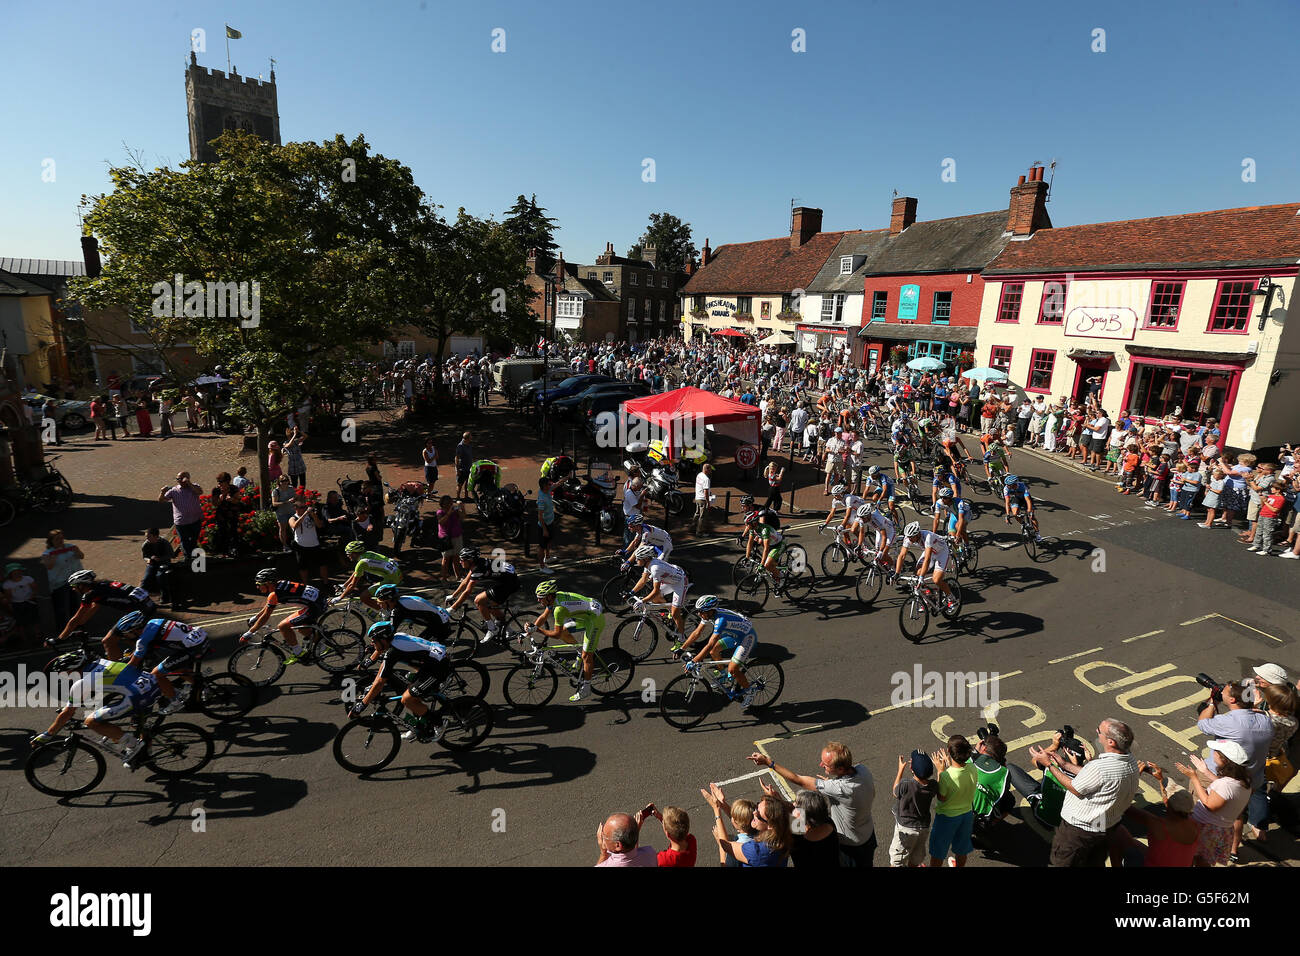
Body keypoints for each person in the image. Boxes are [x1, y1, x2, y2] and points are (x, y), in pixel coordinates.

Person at [748, 741, 876, 866]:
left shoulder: (799, 838)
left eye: (826, 764)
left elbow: (798, 780)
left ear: (841, 768)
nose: (821, 764)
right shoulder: (862, 770)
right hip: (867, 834)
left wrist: (768, 762)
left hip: (851, 846)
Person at [31, 651, 159, 765]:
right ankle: (145, 753)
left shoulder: (82, 683)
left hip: (140, 695)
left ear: (73, 670)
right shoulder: (101, 662)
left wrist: (47, 734)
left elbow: (68, 713)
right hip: (153, 683)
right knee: (135, 723)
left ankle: (134, 745)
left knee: (91, 721)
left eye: (65, 674)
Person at [1049, 718, 1140, 867]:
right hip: (1105, 827)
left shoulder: (1100, 767)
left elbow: (1076, 788)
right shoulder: (1130, 761)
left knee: (1063, 863)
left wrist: (1050, 765)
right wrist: (1065, 765)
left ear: (1111, 742)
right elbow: (1095, 777)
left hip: (1079, 831)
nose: (1097, 733)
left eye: (1099, 731)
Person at [676, 595, 761, 709]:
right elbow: (697, 633)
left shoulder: (720, 620)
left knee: (733, 669)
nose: (699, 614)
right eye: (698, 611)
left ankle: (750, 691)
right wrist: (682, 648)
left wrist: (695, 660)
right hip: (734, 635)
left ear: (710, 611)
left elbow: (710, 643)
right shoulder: (708, 615)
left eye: (701, 612)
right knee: (713, 651)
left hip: (747, 637)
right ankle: (723, 675)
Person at [1177, 741, 1253, 866]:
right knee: (1203, 859)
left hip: (1207, 829)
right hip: (1220, 829)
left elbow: (1209, 804)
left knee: (1194, 858)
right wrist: (1205, 771)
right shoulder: (1243, 781)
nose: (1213, 753)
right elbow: (1225, 790)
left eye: (1216, 752)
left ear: (1224, 760)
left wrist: (1194, 778)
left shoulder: (1225, 784)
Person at [530, 580, 605, 702]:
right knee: (565, 630)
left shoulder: (559, 609)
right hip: (585, 614)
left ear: (549, 597)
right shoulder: (555, 597)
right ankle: (580, 651)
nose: (538, 600)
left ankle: (586, 688)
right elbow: (543, 616)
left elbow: (555, 635)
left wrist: (537, 630)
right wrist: (529, 631)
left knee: (587, 656)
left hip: (594, 620)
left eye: (540, 598)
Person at [243, 568, 327, 663]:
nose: (257, 587)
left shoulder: (274, 594)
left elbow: (266, 615)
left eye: (259, 584)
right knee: (301, 628)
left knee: (283, 626)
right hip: (318, 601)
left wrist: (249, 633)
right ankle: (322, 644)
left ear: (269, 583)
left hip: (315, 607)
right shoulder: (279, 584)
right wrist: (256, 617)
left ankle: (298, 653)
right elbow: (268, 606)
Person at [701, 783, 791, 867]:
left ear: (770, 825)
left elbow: (726, 846)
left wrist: (716, 810)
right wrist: (723, 804)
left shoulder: (756, 851)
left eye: (758, 816)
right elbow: (742, 821)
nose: (754, 813)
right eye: (757, 805)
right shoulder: (782, 831)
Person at [445, 547, 518, 642]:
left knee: (478, 600)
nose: (459, 562)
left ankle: (492, 629)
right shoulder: (476, 564)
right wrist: (453, 596)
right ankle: (509, 630)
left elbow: (467, 591)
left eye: (462, 560)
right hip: (506, 581)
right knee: (489, 607)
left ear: (470, 560)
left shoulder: (478, 568)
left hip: (509, 583)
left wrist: (452, 608)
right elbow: (465, 582)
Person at [928, 735, 977, 867]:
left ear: (949, 752)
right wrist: (949, 764)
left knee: (938, 851)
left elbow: (941, 797)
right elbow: (960, 772)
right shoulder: (973, 767)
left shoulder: (946, 776)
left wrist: (940, 771)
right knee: (962, 849)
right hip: (966, 815)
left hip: (947, 818)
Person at [890, 750, 938, 867]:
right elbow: (938, 786)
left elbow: (895, 792)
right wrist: (940, 770)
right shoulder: (933, 786)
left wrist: (900, 769)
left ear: (911, 769)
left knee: (897, 861)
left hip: (905, 830)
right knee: (916, 857)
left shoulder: (905, 784)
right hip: (923, 827)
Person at [338, 540, 403, 611]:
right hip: (397, 574)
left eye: (348, 553)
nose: (347, 556)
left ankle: (385, 612)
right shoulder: (368, 554)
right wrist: (344, 585)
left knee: (363, 597)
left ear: (354, 553)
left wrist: (340, 597)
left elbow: (352, 585)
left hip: (391, 579)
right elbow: (356, 573)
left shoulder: (361, 563)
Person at [41, 530, 85, 632]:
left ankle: (76, 626)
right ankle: (62, 628)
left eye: (61, 538)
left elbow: (81, 556)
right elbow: (49, 566)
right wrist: (54, 556)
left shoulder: (71, 547)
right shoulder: (47, 553)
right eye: (57, 539)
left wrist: (77, 551)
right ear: (51, 541)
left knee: (74, 603)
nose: (60, 541)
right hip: (59, 583)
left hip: (73, 580)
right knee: (60, 607)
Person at [158, 471, 203, 560]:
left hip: (195, 520)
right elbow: (161, 500)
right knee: (184, 541)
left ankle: (194, 558)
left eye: (181, 478)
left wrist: (189, 483)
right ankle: (188, 558)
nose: (179, 481)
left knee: (193, 540)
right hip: (181, 522)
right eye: (177, 479)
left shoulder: (194, 487)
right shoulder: (174, 490)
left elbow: (199, 492)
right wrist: (162, 492)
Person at [289, 494, 329, 589]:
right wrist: (304, 514)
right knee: (303, 567)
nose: (304, 509)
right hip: (301, 545)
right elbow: (294, 526)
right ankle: (305, 585)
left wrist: (313, 514)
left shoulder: (311, 516)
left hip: (314, 544)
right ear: (296, 508)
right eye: (302, 507)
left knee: (322, 564)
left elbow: (320, 525)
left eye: (305, 507)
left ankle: (326, 583)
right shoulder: (292, 518)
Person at [2, 563, 38, 646]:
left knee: (34, 619)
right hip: (16, 604)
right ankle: (24, 638)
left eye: (18, 571)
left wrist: (32, 596)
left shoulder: (28, 579)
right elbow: (8, 596)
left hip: (29, 602)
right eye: (14, 572)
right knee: (20, 622)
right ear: (10, 574)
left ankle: (37, 635)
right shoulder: (7, 584)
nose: (17, 573)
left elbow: (35, 588)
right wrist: (10, 604)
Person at [139, 527, 176, 597]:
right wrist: (148, 559)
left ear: (156, 536)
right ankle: (139, 595)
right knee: (146, 579)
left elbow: (171, 555)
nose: (147, 539)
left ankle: (164, 595)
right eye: (146, 537)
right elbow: (144, 556)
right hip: (152, 563)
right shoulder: (145, 544)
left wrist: (160, 558)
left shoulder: (164, 543)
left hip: (164, 563)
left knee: (160, 576)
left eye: (149, 537)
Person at [537, 476, 556, 574]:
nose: (551, 485)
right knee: (542, 546)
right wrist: (544, 530)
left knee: (549, 541)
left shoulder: (546, 490)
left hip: (550, 522)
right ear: (544, 486)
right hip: (544, 526)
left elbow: (556, 484)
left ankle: (547, 557)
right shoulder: (542, 500)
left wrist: (567, 477)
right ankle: (542, 566)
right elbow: (540, 516)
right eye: (549, 484)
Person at [455, 432, 473, 498]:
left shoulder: (469, 444)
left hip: (469, 468)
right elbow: (457, 458)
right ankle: (458, 497)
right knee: (460, 484)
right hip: (462, 468)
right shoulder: (460, 446)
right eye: (470, 437)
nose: (471, 438)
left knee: (467, 483)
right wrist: (457, 470)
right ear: (467, 438)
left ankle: (466, 496)